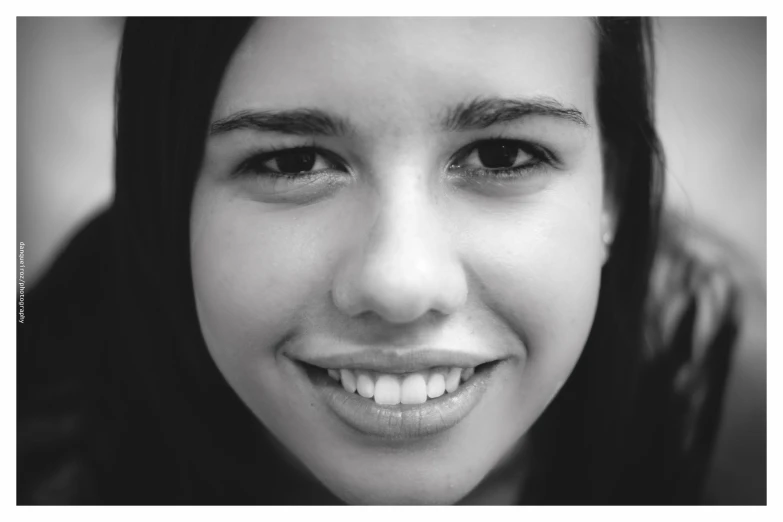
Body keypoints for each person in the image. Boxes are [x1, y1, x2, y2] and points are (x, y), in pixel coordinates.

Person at [17, 17, 762, 505]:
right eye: (291, 161)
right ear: (168, 196)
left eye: (501, 155)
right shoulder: (35, 450)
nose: (401, 283)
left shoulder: (746, 434)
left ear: (614, 196)